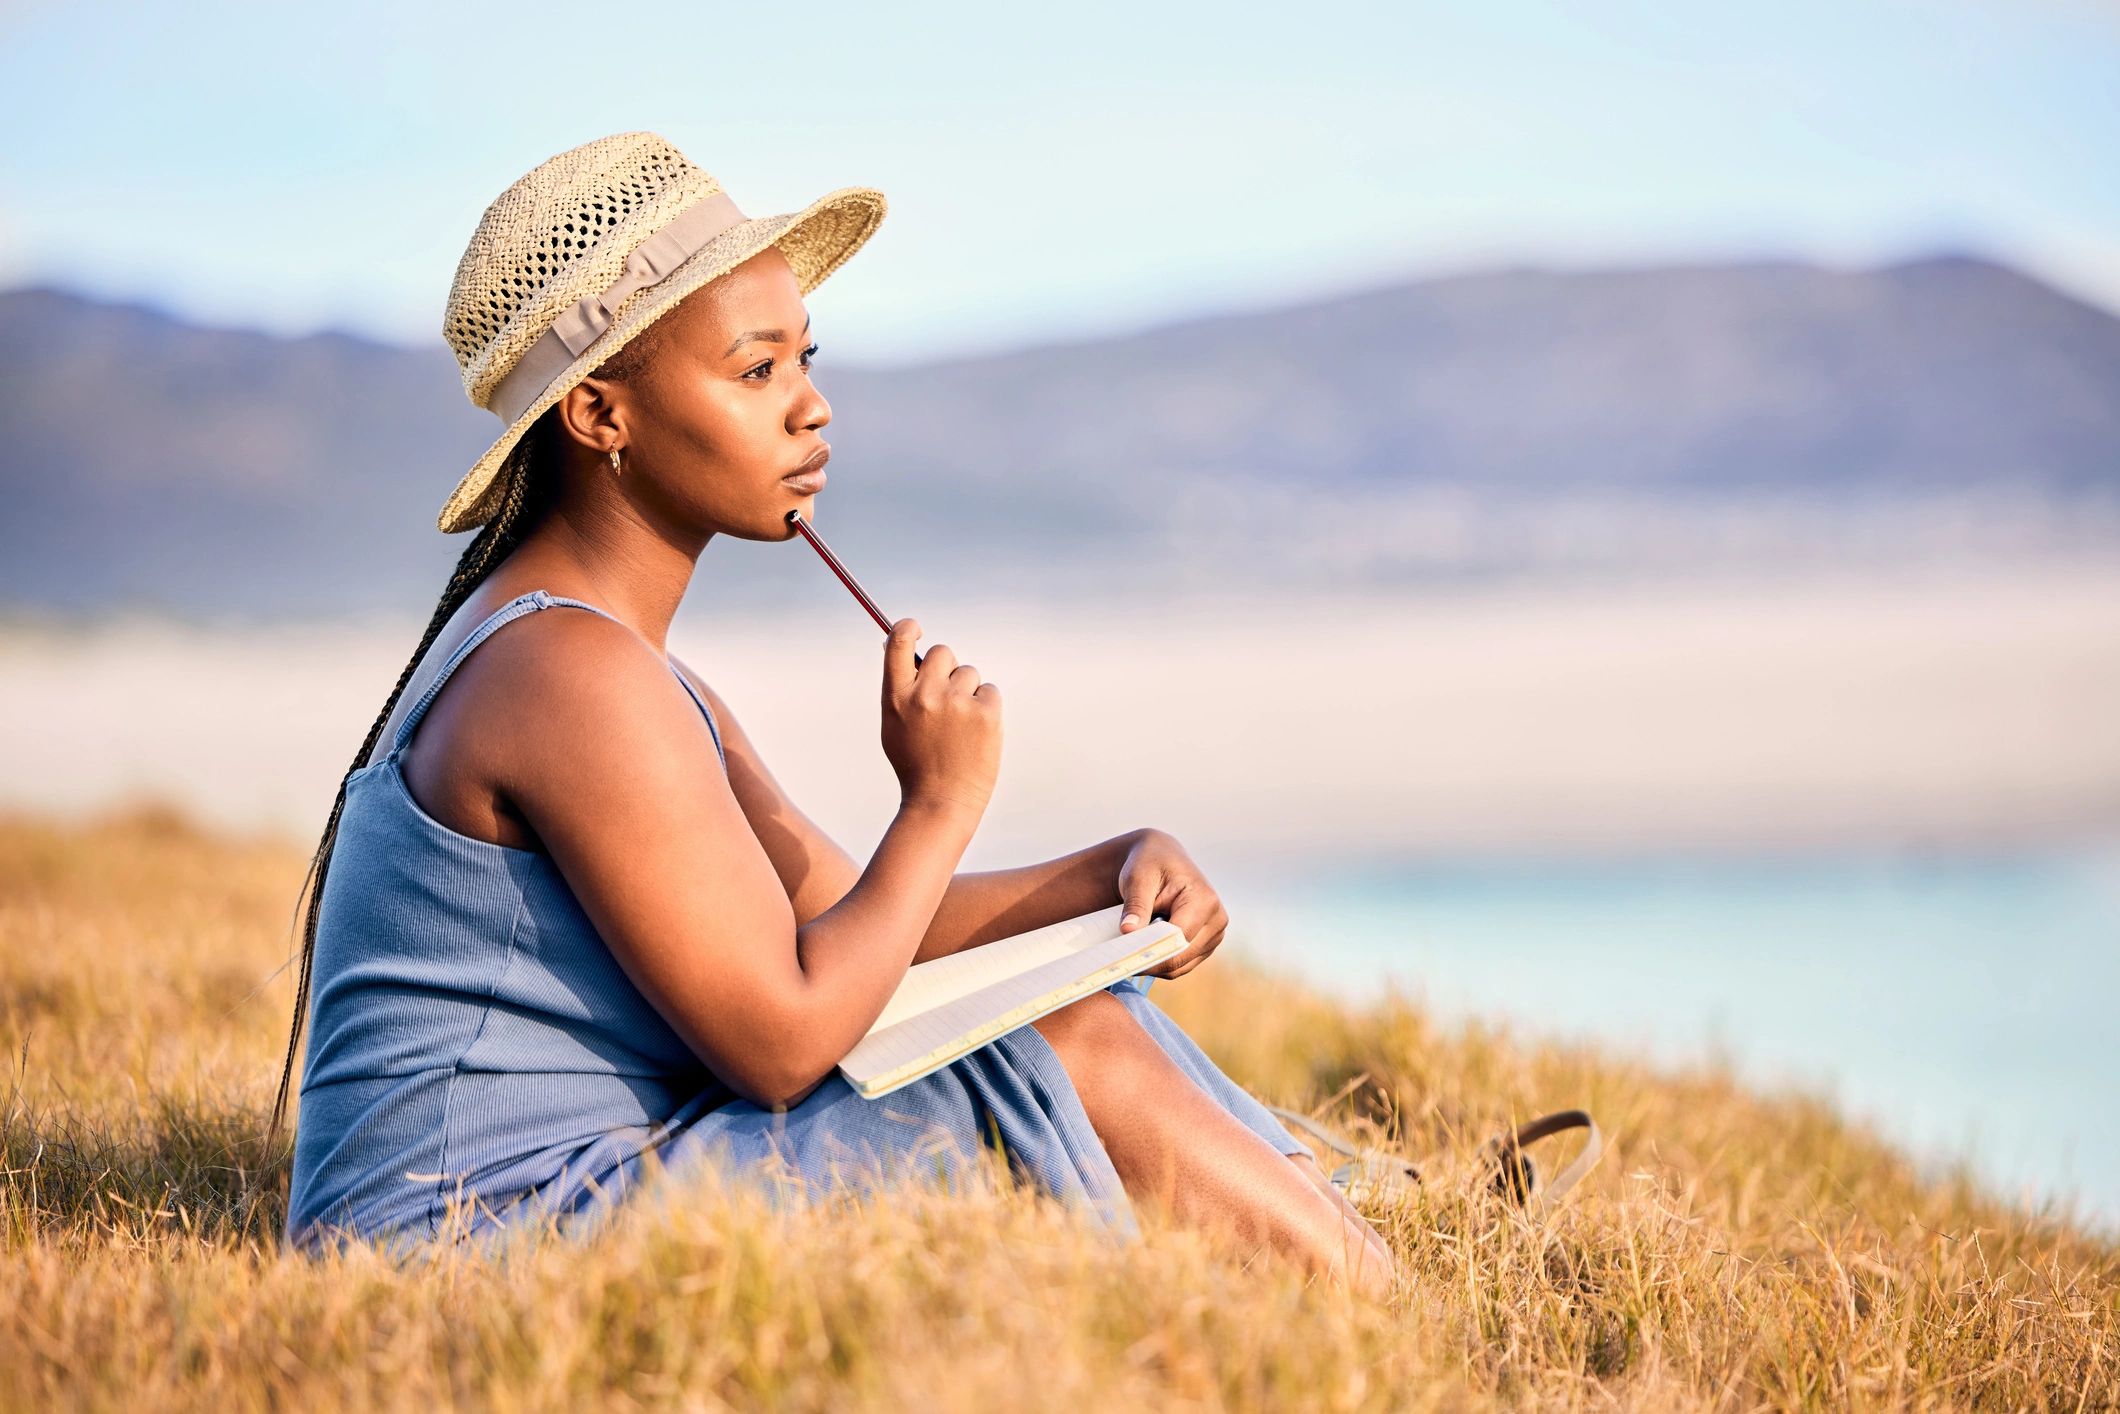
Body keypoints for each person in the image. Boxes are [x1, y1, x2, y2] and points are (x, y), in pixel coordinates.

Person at [274, 132, 1397, 1296]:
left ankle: (1330, 1234)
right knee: (1056, 1049)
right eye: (755, 371)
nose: (812, 410)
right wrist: (941, 802)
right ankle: (1394, 1323)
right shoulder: (568, 676)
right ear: (601, 416)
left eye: (805, 360)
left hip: (555, 1198)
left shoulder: (615, 668)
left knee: (1072, 1006)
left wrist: (1109, 874)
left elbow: (845, 927)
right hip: (470, 1250)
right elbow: (781, 1040)